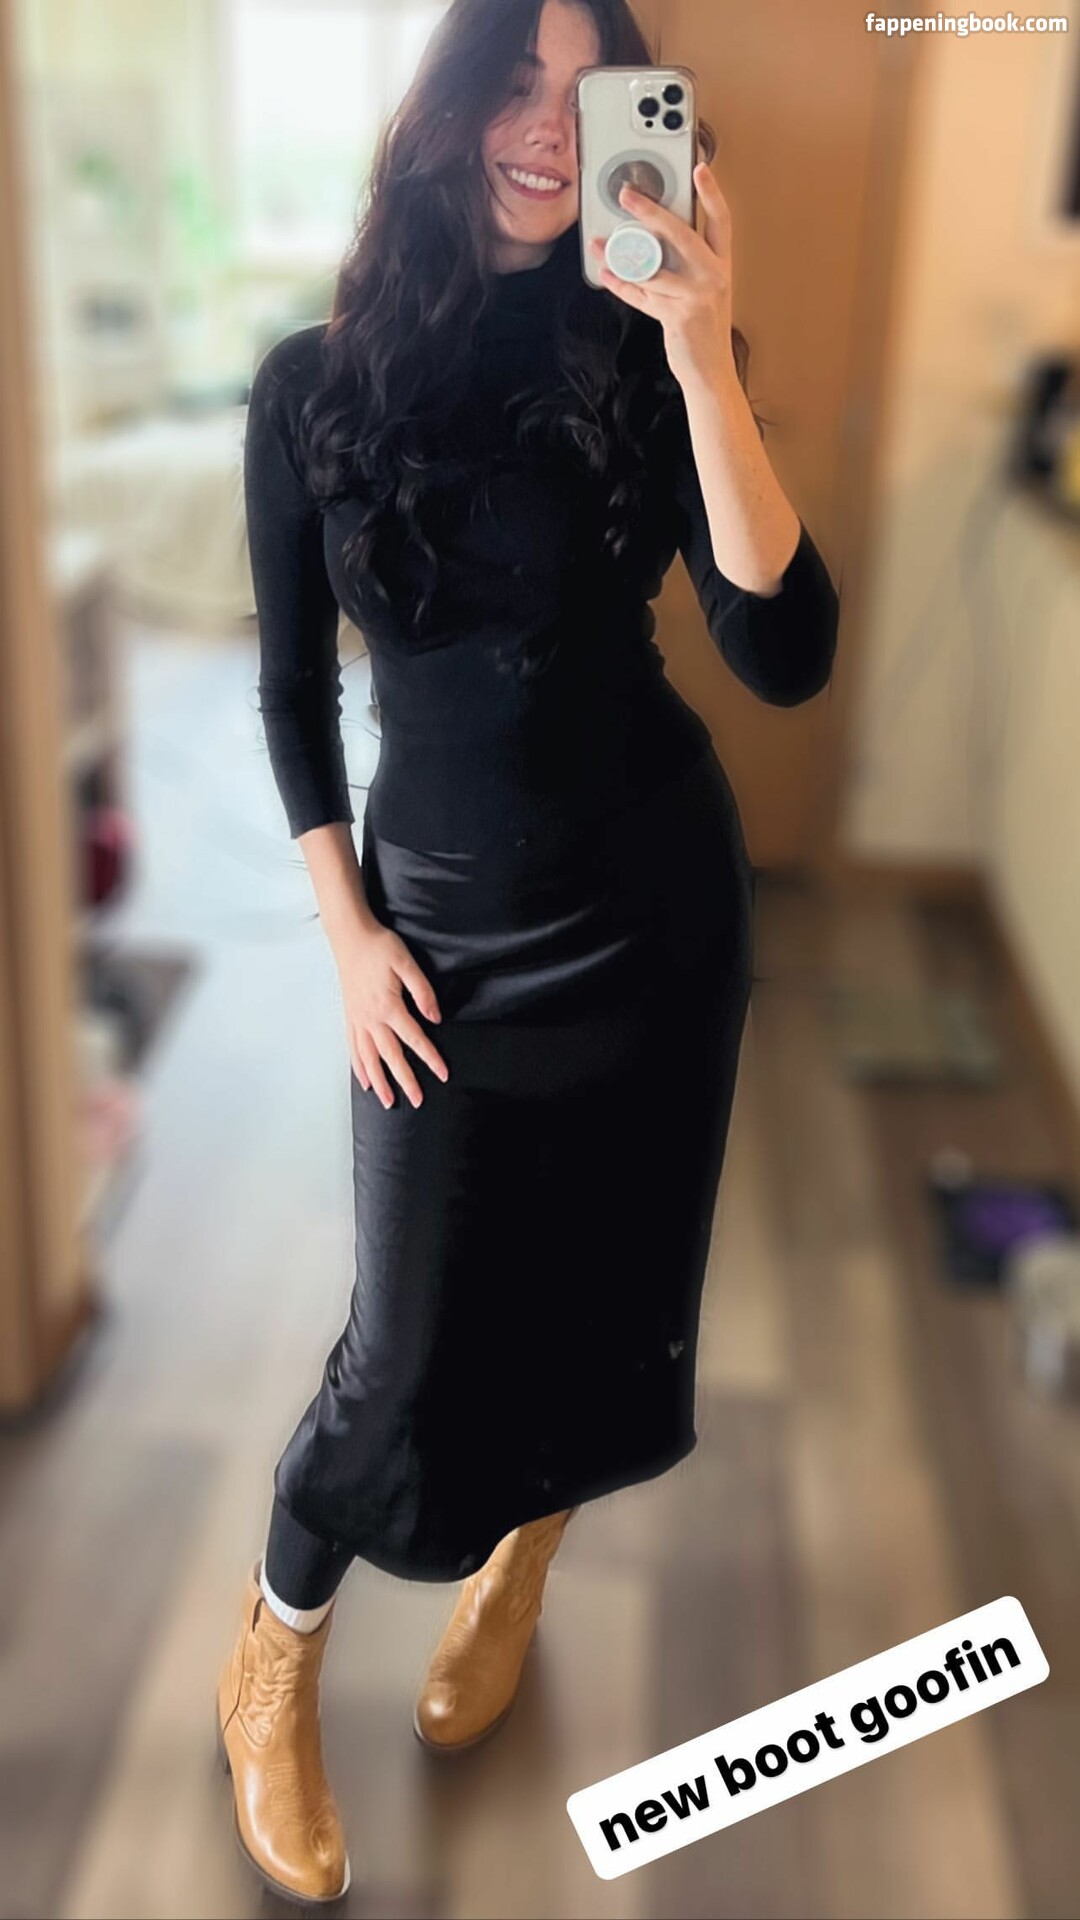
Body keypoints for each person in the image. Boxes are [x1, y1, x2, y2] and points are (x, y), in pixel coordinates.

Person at [216, 0, 840, 1904]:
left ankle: (522, 1559)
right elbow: (292, 697)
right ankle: (274, 1654)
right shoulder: (311, 386)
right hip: (440, 939)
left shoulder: (641, 355)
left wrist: (706, 355)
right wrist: (347, 934)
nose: (552, 130)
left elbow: (785, 651)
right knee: (402, 1346)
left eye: (590, 95)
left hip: (654, 914)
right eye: (513, 82)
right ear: (446, 105)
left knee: (605, 1287)